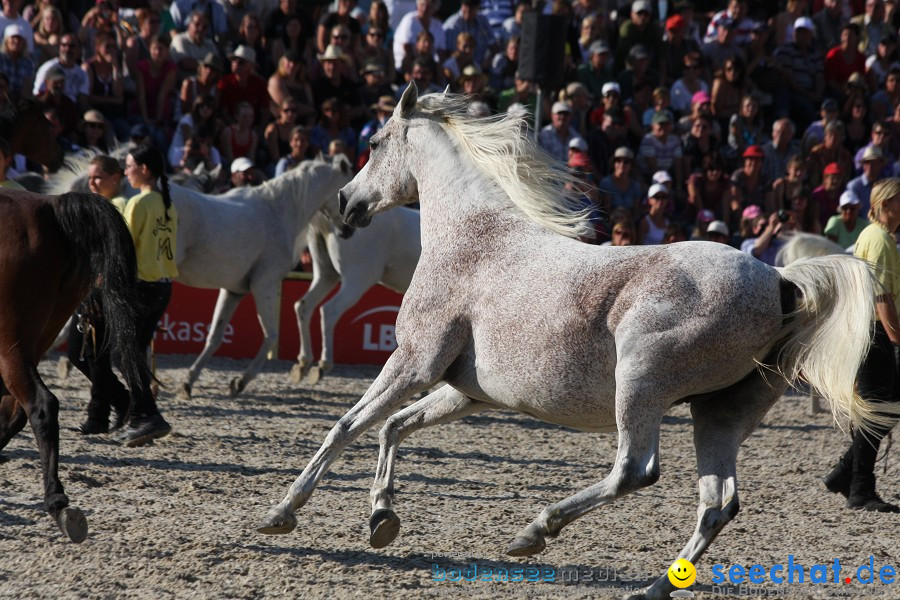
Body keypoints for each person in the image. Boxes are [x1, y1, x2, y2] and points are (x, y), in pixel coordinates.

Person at [823, 177, 900, 513]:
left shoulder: (873, 235)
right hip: (876, 332)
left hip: (867, 331)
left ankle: (845, 473)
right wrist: (897, 336)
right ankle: (859, 489)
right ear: (886, 205)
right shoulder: (881, 239)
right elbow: (883, 296)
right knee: (878, 413)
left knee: (885, 410)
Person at [67, 155, 130, 435]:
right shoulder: (102, 205)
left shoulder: (120, 207)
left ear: (115, 178)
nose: (91, 182)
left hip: (103, 289)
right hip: (90, 286)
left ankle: (100, 415)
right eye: (90, 177)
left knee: (92, 354)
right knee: (84, 354)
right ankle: (115, 403)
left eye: (98, 177)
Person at [119, 144, 175, 446]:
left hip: (140, 286)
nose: (125, 171)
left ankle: (146, 415)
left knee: (126, 354)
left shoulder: (138, 204)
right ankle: (143, 416)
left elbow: (123, 249)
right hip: (163, 285)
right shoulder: (167, 203)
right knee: (135, 353)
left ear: (144, 169)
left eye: (129, 166)